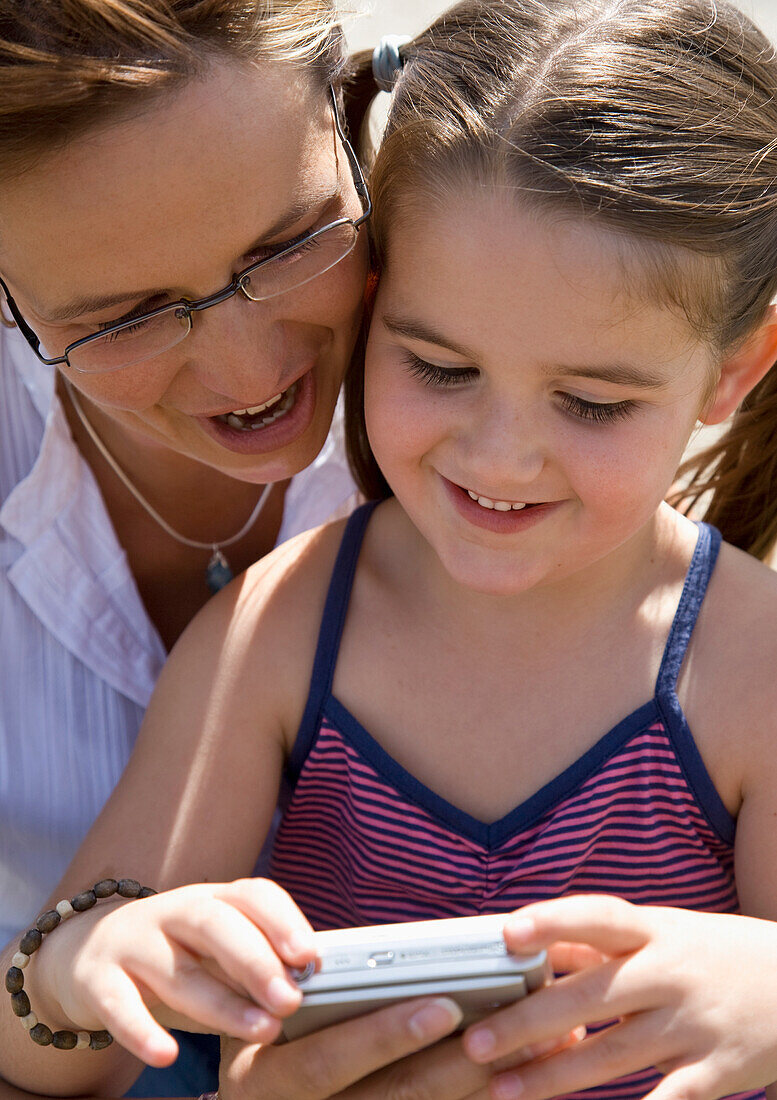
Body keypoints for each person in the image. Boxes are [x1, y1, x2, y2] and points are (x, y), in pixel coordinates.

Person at [5, 0, 777, 1098]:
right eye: (440, 368)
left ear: (735, 373)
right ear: (379, 297)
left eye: (594, 401)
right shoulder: (277, 630)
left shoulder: (751, 666)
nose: (503, 457)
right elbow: (41, 1029)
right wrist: (89, 964)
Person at [0, 1, 383, 1093]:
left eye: (290, 242)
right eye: (125, 316)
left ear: (354, 119)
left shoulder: (510, 398)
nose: (247, 370)